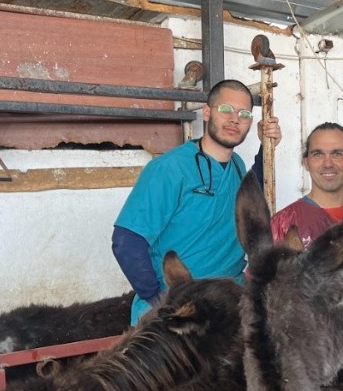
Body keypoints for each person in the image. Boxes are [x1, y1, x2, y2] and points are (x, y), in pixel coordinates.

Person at [111, 78, 281, 324]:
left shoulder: (236, 167)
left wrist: (267, 149)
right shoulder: (169, 168)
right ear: (207, 113)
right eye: (226, 110)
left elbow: (249, 194)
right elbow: (127, 241)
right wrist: (161, 300)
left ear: (250, 123)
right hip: (180, 307)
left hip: (230, 300)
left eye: (243, 114)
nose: (235, 119)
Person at [270, 122, 343, 247]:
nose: (328, 164)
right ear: (306, 163)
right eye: (318, 154)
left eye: (337, 154)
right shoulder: (282, 223)